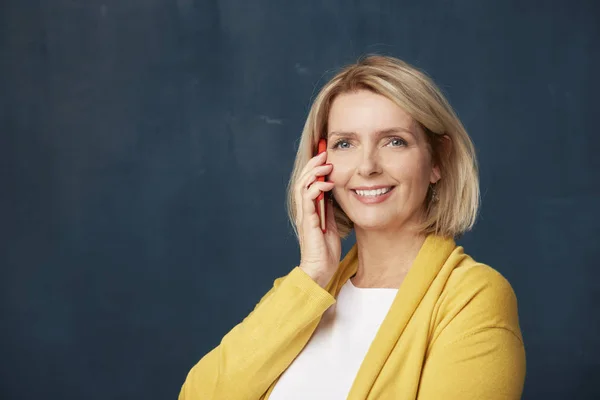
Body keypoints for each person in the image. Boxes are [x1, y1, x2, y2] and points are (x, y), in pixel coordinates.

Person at [178, 55, 526, 399]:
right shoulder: (303, 291)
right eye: (345, 144)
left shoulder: (472, 296)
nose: (367, 166)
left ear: (438, 160)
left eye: (394, 141)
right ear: (321, 161)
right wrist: (312, 275)